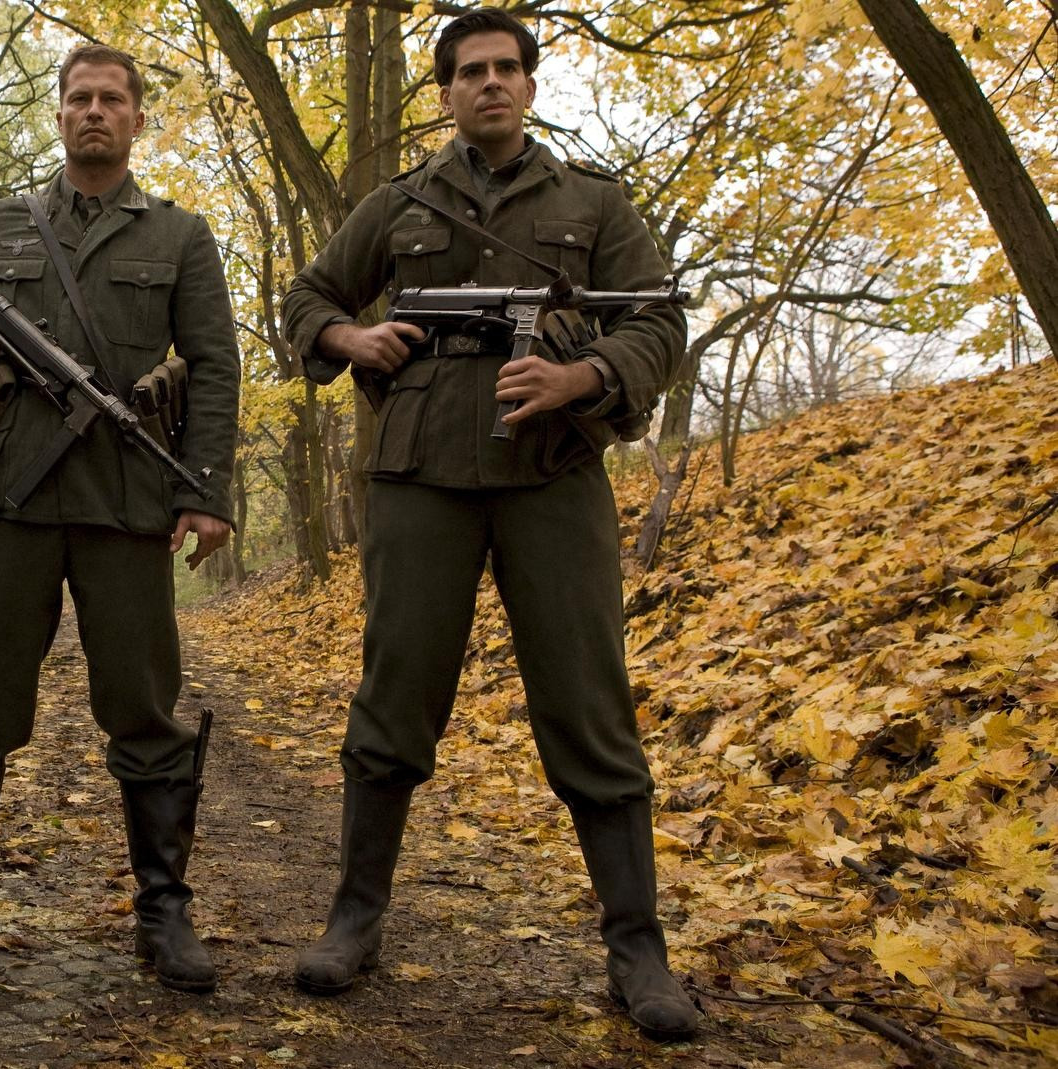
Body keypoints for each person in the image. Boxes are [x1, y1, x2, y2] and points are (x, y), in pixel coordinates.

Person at [278, 8, 698, 1040]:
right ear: (446, 92)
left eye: (507, 68)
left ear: (530, 85)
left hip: (553, 472)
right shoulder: (398, 202)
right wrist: (350, 338)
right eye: (470, 71)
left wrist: (583, 376)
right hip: (418, 475)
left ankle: (637, 948)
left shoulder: (593, 200)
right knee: (394, 695)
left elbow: (656, 316)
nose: (490, 83)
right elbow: (309, 297)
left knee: (589, 703)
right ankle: (354, 919)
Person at [0, 43, 240, 993]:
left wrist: (205, 492)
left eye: (112, 99)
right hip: (13, 495)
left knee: (143, 705)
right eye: (79, 98)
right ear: (61, 113)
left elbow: (213, 364)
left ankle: (163, 909)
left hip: (125, 500)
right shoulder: (3, 223)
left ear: (137, 119)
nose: (94, 111)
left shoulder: (181, 234)